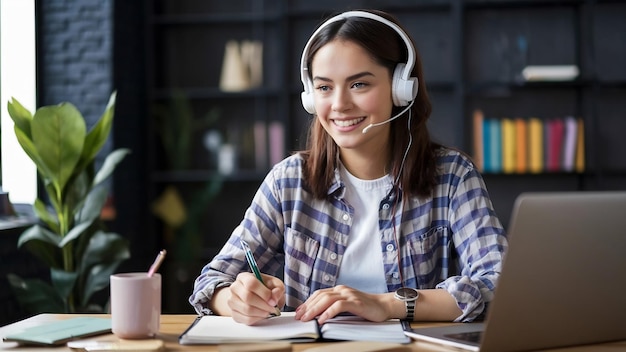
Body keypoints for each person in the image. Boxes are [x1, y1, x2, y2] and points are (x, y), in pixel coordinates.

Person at [189, 9, 508, 326]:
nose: (339, 104)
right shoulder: (289, 181)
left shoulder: (452, 175)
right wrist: (237, 299)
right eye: (325, 88)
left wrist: (386, 304)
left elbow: (499, 283)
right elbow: (211, 283)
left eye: (359, 85)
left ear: (401, 88)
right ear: (311, 97)